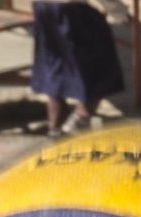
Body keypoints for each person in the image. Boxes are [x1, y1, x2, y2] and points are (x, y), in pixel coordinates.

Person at [27, 0, 127, 135]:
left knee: (55, 66)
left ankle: (55, 128)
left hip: (43, 7)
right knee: (101, 66)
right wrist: (119, 12)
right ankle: (81, 118)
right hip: (72, 9)